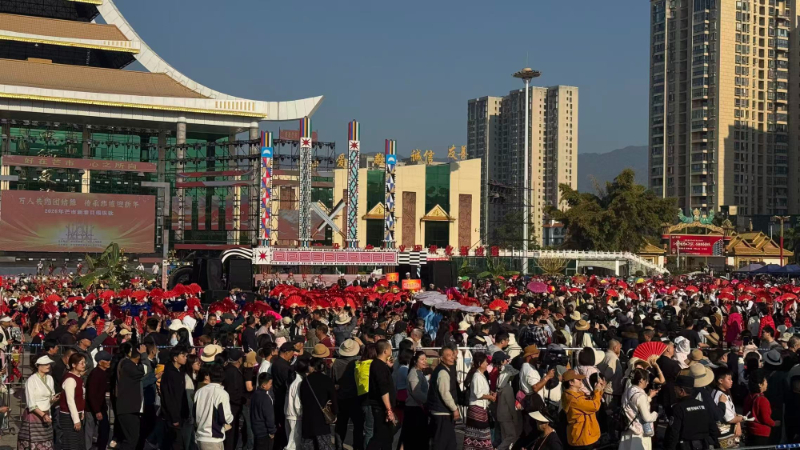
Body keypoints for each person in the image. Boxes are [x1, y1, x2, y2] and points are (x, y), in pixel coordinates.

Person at [664, 375, 718, 450]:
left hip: (685, 446)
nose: (674, 391)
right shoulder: (703, 405)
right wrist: (715, 444)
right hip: (703, 445)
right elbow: (713, 427)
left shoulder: (678, 408)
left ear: (681, 391)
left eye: (675, 389)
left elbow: (673, 433)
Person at [299, 356, 338, 450]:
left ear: (312, 367)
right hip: (322, 419)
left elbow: (302, 399)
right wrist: (334, 412)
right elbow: (333, 398)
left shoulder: (305, 381)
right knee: (324, 445)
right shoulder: (327, 380)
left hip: (308, 419)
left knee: (309, 446)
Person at [561, 369, 605, 450]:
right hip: (582, 438)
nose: (581, 381)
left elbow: (590, 401)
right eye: (578, 379)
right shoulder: (573, 399)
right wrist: (597, 391)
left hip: (586, 436)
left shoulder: (576, 395)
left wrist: (599, 390)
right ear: (571, 383)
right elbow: (594, 406)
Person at [426, 346, 461, 450]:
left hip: (442, 412)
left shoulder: (443, 370)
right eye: (448, 356)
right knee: (441, 443)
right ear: (441, 358)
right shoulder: (443, 372)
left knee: (450, 444)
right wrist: (454, 409)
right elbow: (445, 393)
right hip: (442, 413)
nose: (452, 358)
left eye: (452, 355)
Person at [20, 356, 57, 450]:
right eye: (45, 364)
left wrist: (53, 399)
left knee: (47, 443)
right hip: (34, 415)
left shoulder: (50, 378)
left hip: (47, 413)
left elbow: (51, 396)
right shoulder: (31, 380)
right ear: (38, 366)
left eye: (49, 364)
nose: (48, 366)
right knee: (34, 443)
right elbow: (31, 403)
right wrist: (43, 415)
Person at [115, 343, 147, 450]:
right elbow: (144, 371)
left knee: (133, 439)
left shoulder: (129, 365)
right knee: (131, 440)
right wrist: (144, 356)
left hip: (131, 409)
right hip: (127, 409)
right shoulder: (127, 365)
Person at [195, 364, 234, 450]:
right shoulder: (222, 393)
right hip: (213, 438)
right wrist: (231, 418)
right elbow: (226, 417)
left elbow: (194, 413)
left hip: (200, 436)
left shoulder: (199, 391)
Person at [619, 368, 659, 450]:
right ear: (641, 380)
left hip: (628, 428)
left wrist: (649, 397)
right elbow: (647, 418)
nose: (648, 383)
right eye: (646, 380)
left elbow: (635, 404)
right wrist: (655, 414)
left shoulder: (628, 391)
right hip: (639, 433)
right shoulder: (640, 396)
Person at [462, 352, 496, 450]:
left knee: (481, 436)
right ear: (480, 363)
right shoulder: (477, 376)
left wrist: (490, 393)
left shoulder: (481, 375)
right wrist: (490, 397)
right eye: (485, 362)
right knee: (479, 435)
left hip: (481, 408)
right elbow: (478, 394)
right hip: (477, 409)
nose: (487, 364)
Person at [332, 339, 362, 450]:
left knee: (340, 425)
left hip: (341, 397)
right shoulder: (358, 361)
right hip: (356, 397)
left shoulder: (336, 363)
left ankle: (339, 447)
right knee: (358, 425)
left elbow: (333, 380)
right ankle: (357, 446)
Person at [367, 340, 396, 450]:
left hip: (382, 406)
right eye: (390, 348)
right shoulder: (379, 366)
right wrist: (389, 410)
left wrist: (389, 367)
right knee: (380, 436)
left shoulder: (379, 365)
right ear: (385, 351)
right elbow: (383, 390)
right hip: (381, 407)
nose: (391, 350)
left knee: (387, 437)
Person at [161, 346, 190, 450]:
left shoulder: (180, 372)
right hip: (173, 415)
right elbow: (169, 397)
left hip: (180, 413)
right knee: (176, 443)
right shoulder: (169, 374)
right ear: (175, 358)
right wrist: (174, 418)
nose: (185, 358)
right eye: (183, 356)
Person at [401, 351, 429, 450]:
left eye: (425, 359)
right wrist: (427, 401)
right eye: (422, 359)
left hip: (418, 408)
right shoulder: (413, 374)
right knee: (414, 438)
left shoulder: (419, 372)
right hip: (414, 409)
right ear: (416, 361)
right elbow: (416, 392)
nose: (424, 361)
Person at [710, 366, 744, 449]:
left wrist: (738, 423)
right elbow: (730, 419)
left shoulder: (719, 392)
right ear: (721, 381)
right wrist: (742, 418)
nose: (731, 381)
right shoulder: (721, 396)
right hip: (725, 435)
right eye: (729, 379)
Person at [85, 351, 112, 450]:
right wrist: (97, 410)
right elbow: (91, 394)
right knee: (90, 431)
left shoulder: (103, 373)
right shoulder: (96, 374)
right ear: (100, 362)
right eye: (106, 360)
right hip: (93, 408)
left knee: (104, 429)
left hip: (100, 407)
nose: (109, 362)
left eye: (109, 360)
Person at [271, 343, 296, 450]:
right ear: (286, 352)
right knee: (284, 426)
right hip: (283, 399)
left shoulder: (276, 363)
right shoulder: (284, 367)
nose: (293, 355)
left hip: (278, 398)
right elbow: (289, 384)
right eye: (292, 353)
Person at [60, 353, 86, 450]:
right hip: (68, 416)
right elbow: (70, 401)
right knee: (72, 444)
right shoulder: (70, 379)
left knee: (79, 444)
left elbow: (81, 397)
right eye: (81, 363)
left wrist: (81, 411)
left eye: (84, 362)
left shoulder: (78, 378)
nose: (84, 365)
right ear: (73, 365)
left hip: (77, 414)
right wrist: (76, 420)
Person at [743, 370, 775, 447]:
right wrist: (774, 423)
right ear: (760, 384)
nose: (767, 384)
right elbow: (765, 419)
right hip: (761, 433)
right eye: (765, 381)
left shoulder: (749, 397)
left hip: (750, 430)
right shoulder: (762, 400)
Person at [223, 349, 246, 450]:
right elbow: (233, 392)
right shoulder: (234, 372)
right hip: (233, 407)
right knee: (231, 434)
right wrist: (241, 401)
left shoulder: (227, 369)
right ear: (239, 360)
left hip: (230, 405)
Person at [285, 356, 308, 450]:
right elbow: (297, 403)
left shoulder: (293, 379)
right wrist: (301, 413)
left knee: (291, 441)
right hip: (295, 416)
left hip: (290, 413)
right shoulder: (298, 382)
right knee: (294, 444)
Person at [250, 373, 277, 450]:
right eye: (270, 383)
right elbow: (269, 417)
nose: (271, 385)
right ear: (264, 385)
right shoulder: (265, 398)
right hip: (264, 432)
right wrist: (272, 431)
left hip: (256, 430)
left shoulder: (254, 394)